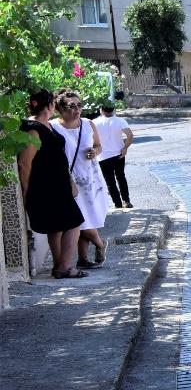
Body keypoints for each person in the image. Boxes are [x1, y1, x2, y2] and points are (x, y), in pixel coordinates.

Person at [16, 89, 86, 279]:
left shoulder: (45, 125)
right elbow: (24, 163)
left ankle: (59, 266)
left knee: (56, 227)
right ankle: (64, 266)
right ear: (49, 106)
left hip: (59, 185)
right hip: (46, 187)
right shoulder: (33, 129)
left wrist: (69, 181)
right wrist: (26, 190)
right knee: (74, 222)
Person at [53, 90, 109, 269]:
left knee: (87, 217)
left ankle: (83, 259)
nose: (77, 110)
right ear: (60, 109)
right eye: (71, 106)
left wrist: (95, 152)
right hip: (68, 180)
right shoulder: (53, 127)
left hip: (90, 179)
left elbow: (99, 146)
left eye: (79, 105)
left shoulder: (88, 124)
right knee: (79, 219)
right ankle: (100, 243)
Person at [95, 102, 133, 208]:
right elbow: (130, 135)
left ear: (101, 110)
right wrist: (125, 148)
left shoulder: (94, 122)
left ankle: (117, 204)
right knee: (121, 177)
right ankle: (126, 201)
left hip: (102, 156)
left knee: (110, 180)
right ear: (113, 110)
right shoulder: (120, 121)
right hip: (119, 153)